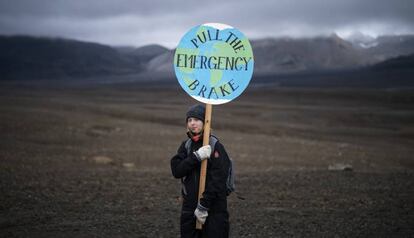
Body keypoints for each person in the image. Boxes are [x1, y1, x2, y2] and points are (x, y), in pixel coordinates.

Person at [171, 104, 230, 238]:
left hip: (214, 211)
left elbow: (218, 180)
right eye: (189, 120)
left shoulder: (215, 146)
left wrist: (203, 206)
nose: (192, 123)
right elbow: (177, 171)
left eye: (197, 120)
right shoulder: (186, 146)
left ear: (205, 122)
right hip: (189, 209)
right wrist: (196, 157)